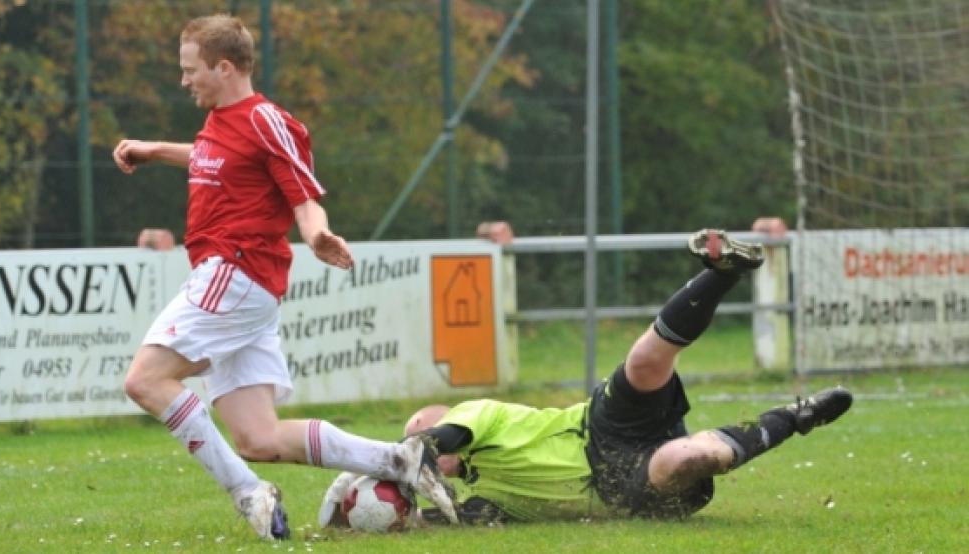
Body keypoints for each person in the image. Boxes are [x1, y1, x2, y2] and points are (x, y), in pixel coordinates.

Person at [111, 14, 456, 540]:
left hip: (236, 269)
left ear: (224, 68)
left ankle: (247, 492)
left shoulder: (265, 120)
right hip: (242, 283)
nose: (184, 81)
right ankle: (399, 460)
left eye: (190, 71)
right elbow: (213, 157)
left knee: (146, 380)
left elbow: (303, 195)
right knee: (259, 437)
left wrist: (318, 235)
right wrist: (154, 150)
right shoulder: (222, 120)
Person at [320, 229, 853, 525]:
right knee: (688, 459)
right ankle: (795, 418)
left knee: (644, 362)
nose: (422, 449)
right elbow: (445, 522)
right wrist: (355, 514)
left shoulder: (473, 418)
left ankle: (722, 273)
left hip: (600, 427)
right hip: (624, 487)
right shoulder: (481, 500)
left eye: (422, 434)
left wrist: (404, 454)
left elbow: (438, 443)